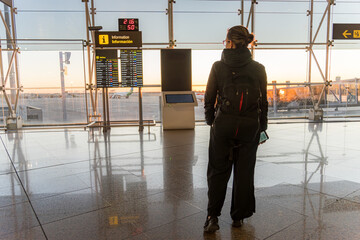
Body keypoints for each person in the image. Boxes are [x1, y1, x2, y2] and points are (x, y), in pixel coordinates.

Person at [203, 25, 268, 233]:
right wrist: (262, 127)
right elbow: (264, 102)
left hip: (223, 126)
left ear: (230, 42)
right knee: (244, 172)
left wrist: (211, 120)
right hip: (249, 127)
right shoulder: (258, 68)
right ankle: (238, 216)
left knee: (217, 171)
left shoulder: (218, 66)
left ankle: (213, 216)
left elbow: (209, 97)